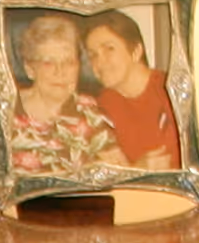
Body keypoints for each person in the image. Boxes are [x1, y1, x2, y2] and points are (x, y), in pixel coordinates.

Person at [9, 13, 124, 180]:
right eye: (48, 63)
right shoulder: (5, 111)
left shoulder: (93, 115)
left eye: (69, 62)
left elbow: (117, 176)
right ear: (30, 69)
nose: (60, 72)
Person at [83, 10, 181, 170]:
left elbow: (172, 168)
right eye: (93, 55)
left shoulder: (171, 92)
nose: (99, 62)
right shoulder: (101, 106)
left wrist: (132, 169)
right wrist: (136, 169)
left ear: (136, 51)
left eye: (109, 49)